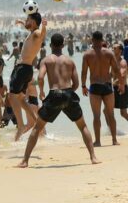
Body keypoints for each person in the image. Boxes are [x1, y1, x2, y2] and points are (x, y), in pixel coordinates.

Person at [17, 34, 99, 167]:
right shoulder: (70, 61)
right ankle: (93, 157)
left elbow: (41, 77)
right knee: (82, 126)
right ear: (63, 45)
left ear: (50, 45)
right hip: (68, 94)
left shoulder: (47, 60)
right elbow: (76, 83)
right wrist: (68, 92)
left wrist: (42, 91)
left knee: (37, 128)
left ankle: (25, 160)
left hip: (54, 95)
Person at [7, 12, 46, 141]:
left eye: (28, 19)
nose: (26, 20)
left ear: (34, 22)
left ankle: (21, 125)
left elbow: (40, 36)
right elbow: (30, 28)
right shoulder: (32, 31)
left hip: (23, 69)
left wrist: (44, 27)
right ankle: (35, 121)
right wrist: (21, 22)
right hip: (25, 69)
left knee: (12, 96)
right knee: (21, 98)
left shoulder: (36, 33)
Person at [81, 31, 123, 146]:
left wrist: (83, 86)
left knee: (96, 115)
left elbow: (84, 72)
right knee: (111, 114)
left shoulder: (87, 54)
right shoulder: (109, 53)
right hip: (107, 86)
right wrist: (122, 84)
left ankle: (98, 141)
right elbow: (116, 70)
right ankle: (114, 140)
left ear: (92, 40)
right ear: (102, 39)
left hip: (94, 86)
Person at [113, 43, 128, 122]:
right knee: (106, 111)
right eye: (113, 48)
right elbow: (110, 75)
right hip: (113, 89)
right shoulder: (113, 62)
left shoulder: (123, 62)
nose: (113, 49)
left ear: (120, 51)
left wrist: (111, 84)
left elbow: (122, 76)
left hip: (122, 89)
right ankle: (110, 129)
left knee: (123, 113)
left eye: (115, 48)